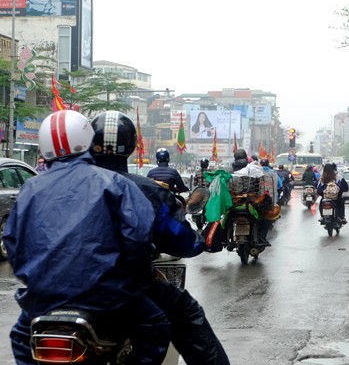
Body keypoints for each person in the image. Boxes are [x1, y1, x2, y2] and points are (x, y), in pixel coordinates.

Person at [4, 110, 170, 364]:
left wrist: (38, 282)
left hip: (43, 301)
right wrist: (136, 281)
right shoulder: (115, 183)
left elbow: (14, 244)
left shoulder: (30, 189)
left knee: (19, 337)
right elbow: (137, 240)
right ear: (88, 140)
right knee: (156, 326)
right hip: (106, 298)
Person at [89, 110, 230, 365]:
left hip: (52, 292)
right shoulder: (146, 191)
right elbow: (180, 240)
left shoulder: (53, 186)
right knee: (185, 313)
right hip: (122, 288)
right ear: (132, 146)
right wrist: (199, 241)